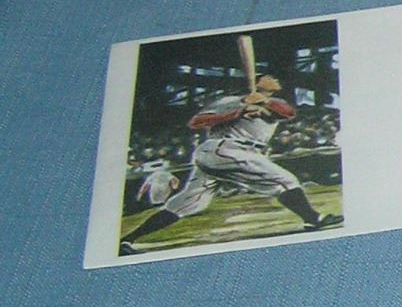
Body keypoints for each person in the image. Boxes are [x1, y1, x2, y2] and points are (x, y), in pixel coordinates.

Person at [118, 74, 341, 256]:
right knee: (286, 180)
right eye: (270, 76)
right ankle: (313, 219)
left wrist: (261, 103)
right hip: (224, 148)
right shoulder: (230, 101)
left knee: (188, 203)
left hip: (240, 153)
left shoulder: (275, 103)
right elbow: (196, 122)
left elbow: (288, 113)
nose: (276, 79)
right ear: (258, 80)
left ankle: (127, 240)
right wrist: (238, 111)